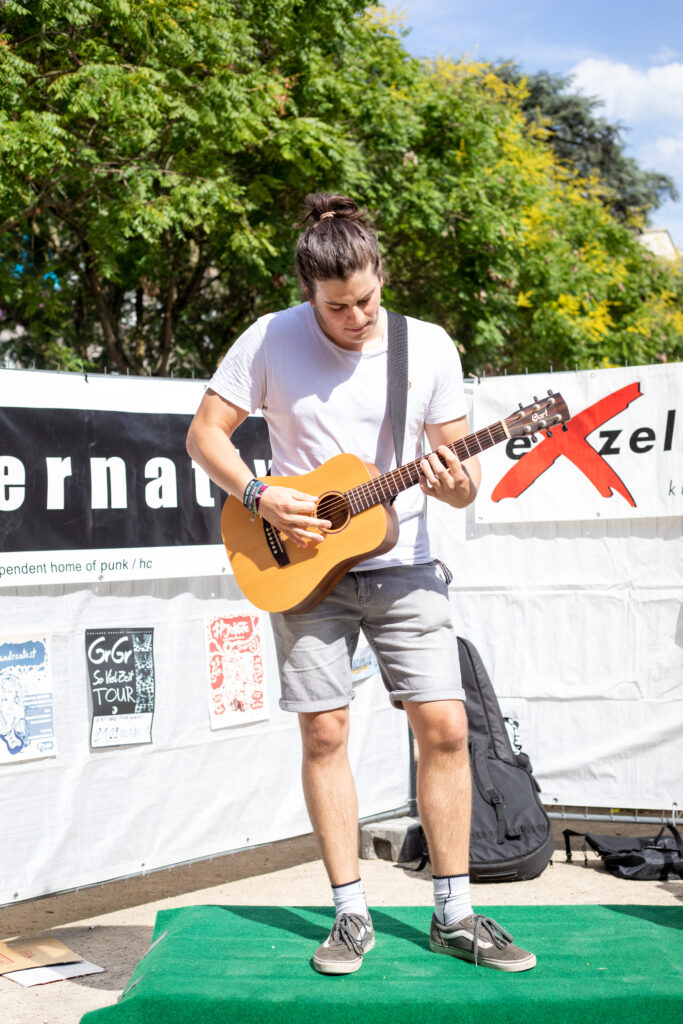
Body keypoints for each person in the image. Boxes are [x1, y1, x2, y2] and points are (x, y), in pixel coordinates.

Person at [186, 192, 536, 976]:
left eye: (367, 298)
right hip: (298, 566)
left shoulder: (430, 347)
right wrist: (257, 493)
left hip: (404, 561)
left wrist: (449, 480)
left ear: (382, 273)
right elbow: (204, 435)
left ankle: (454, 911)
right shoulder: (269, 338)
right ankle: (349, 913)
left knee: (444, 728)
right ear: (307, 292)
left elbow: (462, 479)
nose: (357, 317)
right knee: (324, 733)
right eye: (337, 306)